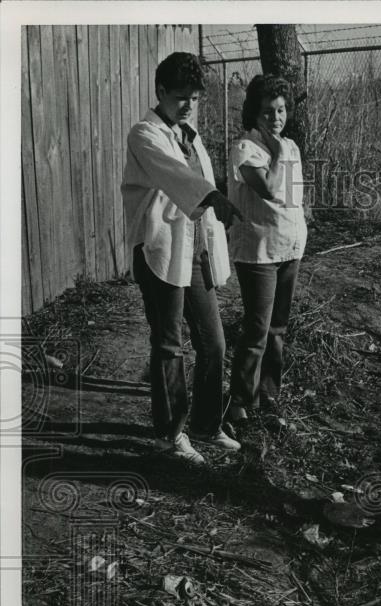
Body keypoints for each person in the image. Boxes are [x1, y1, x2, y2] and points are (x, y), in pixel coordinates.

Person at [122, 51, 242, 464]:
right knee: (169, 343)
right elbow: (177, 177)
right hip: (160, 249)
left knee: (214, 342)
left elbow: (201, 175)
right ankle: (170, 435)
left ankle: (207, 425)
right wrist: (213, 197)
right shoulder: (145, 133)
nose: (188, 105)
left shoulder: (190, 134)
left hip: (193, 250)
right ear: (160, 92)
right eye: (180, 97)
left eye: (194, 97)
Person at [226, 74, 307, 433]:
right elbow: (269, 189)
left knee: (278, 329)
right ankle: (240, 403)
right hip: (259, 252)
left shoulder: (291, 146)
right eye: (268, 111)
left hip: (289, 247)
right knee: (257, 330)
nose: (276, 117)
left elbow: (293, 197)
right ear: (254, 113)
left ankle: (269, 398)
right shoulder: (247, 148)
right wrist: (273, 150)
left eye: (282, 109)